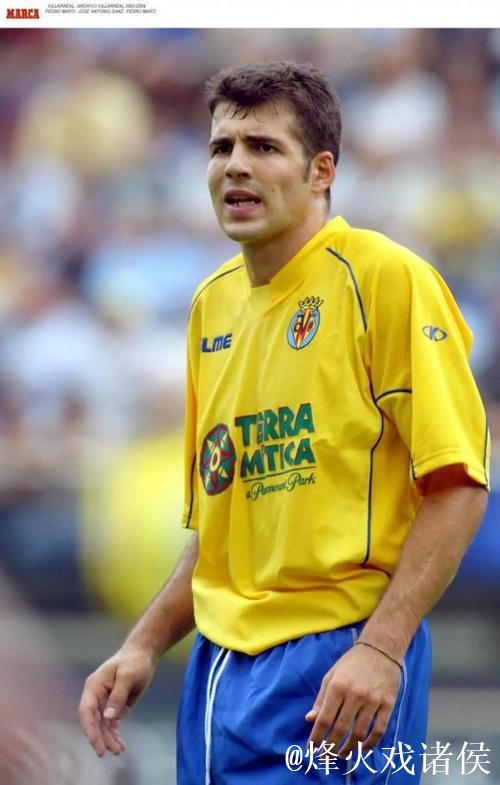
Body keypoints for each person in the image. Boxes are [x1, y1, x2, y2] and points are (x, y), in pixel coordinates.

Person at [79, 61, 489, 783]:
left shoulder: (385, 278)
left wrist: (382, 647)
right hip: (215, 674)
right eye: (221, 147)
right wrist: (143, 642)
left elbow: (458, 484)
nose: (235, 166)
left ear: (321, 170)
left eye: (263, 147)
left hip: (337, 664)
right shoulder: (211, 306)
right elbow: (220, 528)